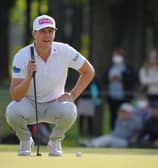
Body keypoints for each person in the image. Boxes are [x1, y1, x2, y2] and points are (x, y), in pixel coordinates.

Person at [6, 15, 95, 156]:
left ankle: (55, 141)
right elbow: (16, 95)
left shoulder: (65, 51)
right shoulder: (22, 55)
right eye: (42, 31)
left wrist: (73, 94)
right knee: (11, 111)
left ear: (54, 33)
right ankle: (25, 140)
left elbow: (88, 71)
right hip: (29, 105)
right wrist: (29, 77)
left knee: (70, 109)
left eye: (50, 31)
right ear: (34, 33)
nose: (47, 35)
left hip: (54, 103)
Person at [103, 48, 138, 129]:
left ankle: (125, 132)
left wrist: (122, 78)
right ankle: (113, 131)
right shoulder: (110, 68)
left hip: (124, 96)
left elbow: (133, 79)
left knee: (125, 115)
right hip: (112, 97)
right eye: (115, 55)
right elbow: (104, 79)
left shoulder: (128, 68)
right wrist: (109, 79)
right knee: (113, 115)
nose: (116, 57)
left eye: (118, 55)